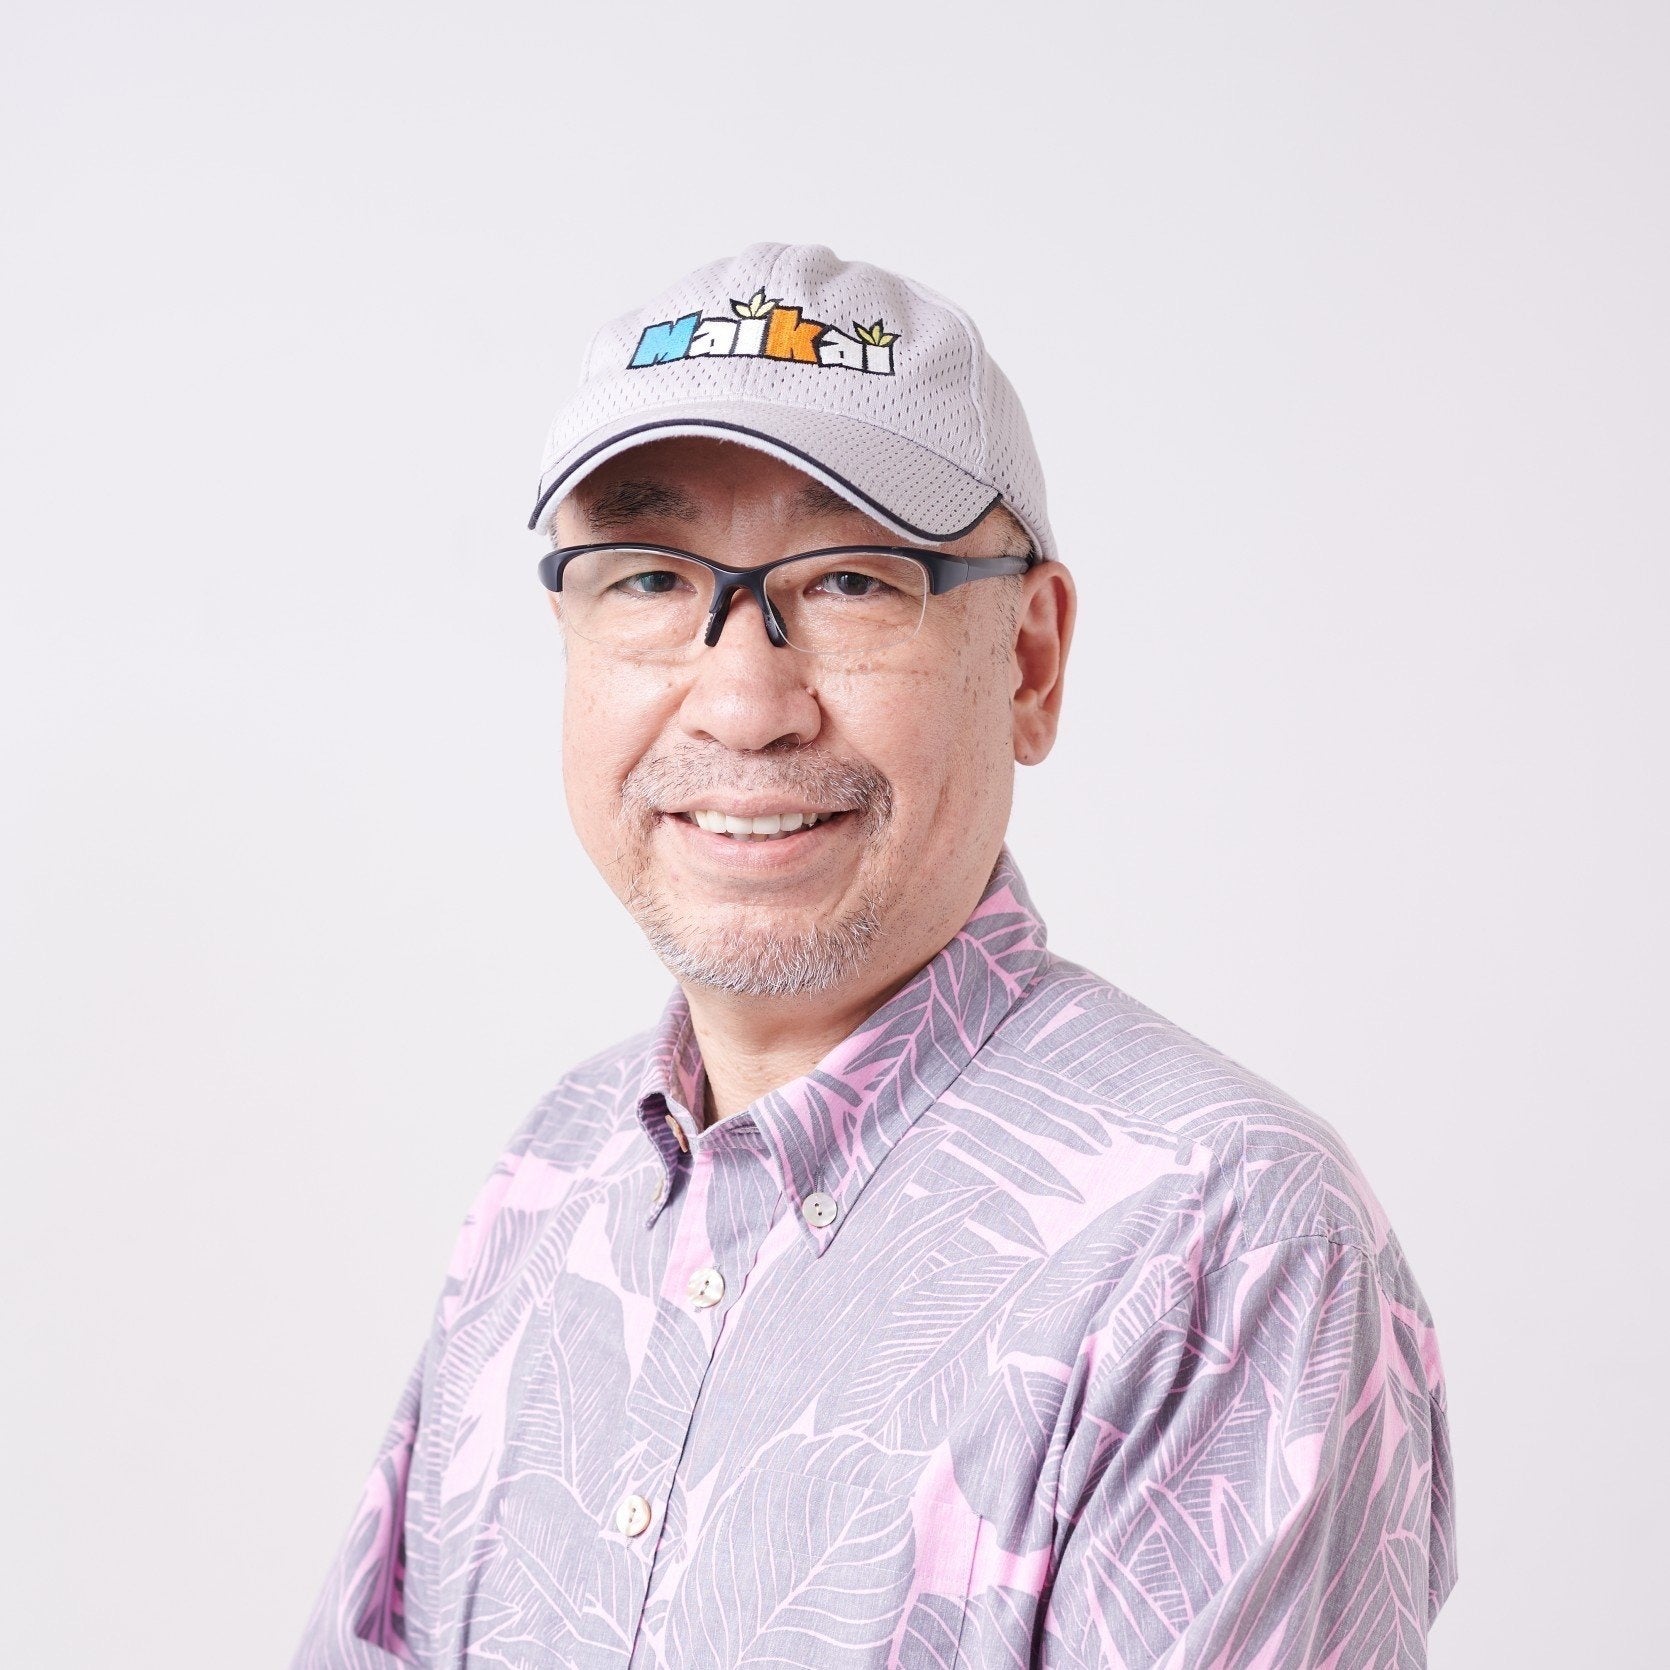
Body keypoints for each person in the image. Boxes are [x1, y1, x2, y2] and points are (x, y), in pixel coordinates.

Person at [290, 243, 1455, 1669]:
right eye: (649, 577)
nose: (744, 701)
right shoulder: (555, 1175)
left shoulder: (1219, 1242)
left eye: (850, 580)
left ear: (1028, 660)